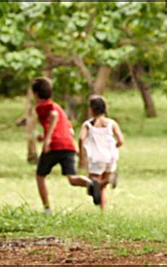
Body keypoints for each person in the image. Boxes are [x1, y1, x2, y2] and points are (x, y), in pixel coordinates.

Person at [32, 77, 100, 214]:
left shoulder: (44, 107)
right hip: (67, 145)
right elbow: (70, 130)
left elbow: (53, 116)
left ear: (36, 94)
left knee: (40, 176)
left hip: (53, 146)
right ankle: (90, 184)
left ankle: (47, 209)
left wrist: (47, 140)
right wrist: (46, 136)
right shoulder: (58, 107)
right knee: (72, 179)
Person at [78, 95, 124, 210]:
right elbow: (121, 140)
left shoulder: (88, 125)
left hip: (97, 158)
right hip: (111, 157)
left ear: (91, 109)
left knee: (92, 187)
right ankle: (103, 210)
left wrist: (82, 155)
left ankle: (106, 181)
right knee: (101, 187)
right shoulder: (111, 123)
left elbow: (80, 138)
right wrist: (114, 147)